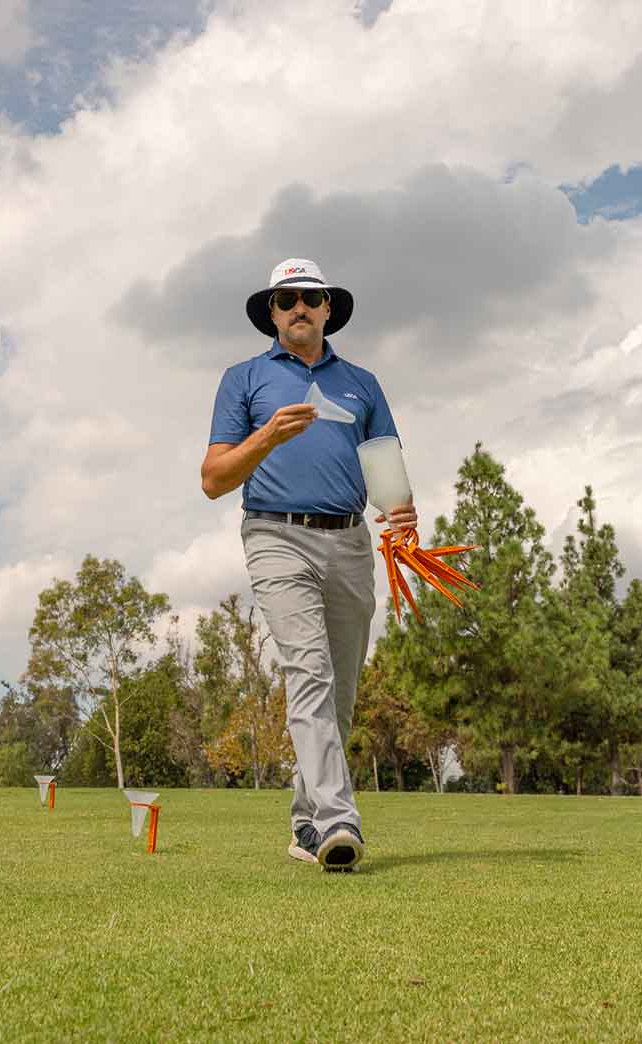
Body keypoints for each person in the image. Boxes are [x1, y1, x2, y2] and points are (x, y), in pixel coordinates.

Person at [201, 258, 416, 871]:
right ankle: (336, 823)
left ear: (328, 309)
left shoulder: (362, 384)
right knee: (310, 672)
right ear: (271, 312)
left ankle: (305, 820)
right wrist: (266, 438)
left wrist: (403, 516)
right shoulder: (243, 380)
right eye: (286, 298)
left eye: (310, 297)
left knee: (340, 693)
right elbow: (214, 480)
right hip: (276, 536)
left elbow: (386, 471)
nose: (299, 306)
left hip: (350, 543)